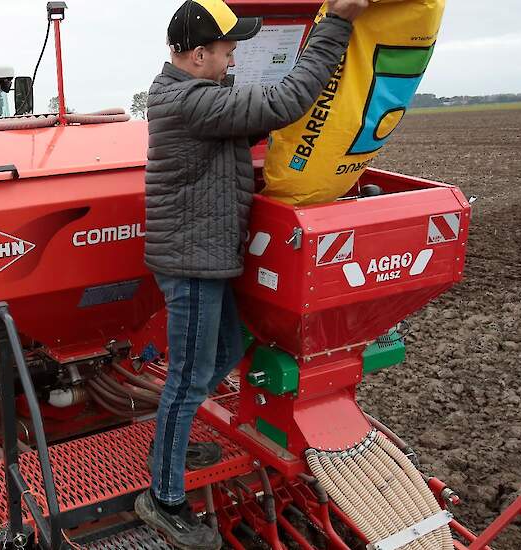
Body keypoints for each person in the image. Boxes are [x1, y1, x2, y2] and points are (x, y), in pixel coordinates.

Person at [135, 0, 368, 548]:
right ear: (198, 55)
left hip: (206, 257)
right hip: (193, 262)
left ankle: (171, 438)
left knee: (225, 349)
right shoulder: (189, 100)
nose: (235, 55)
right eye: (228, 48)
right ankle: (164, 499)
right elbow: (285, 101)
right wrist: (337, 24)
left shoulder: (197, 94)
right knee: (189, 378)